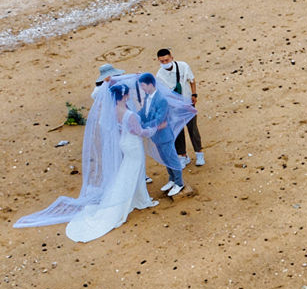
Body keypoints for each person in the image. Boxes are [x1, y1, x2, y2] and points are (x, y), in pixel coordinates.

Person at [14, 67, 169, 241]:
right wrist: (157, 127)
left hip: (124, 143)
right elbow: (140, 132)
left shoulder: (114, 111)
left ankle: (139, 197)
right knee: (133, 171)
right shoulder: (129, 114)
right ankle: (137, 200)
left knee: (129, 171)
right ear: (125, 96)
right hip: (132, 145)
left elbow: (119, 128)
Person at [134, 73, 190, 198]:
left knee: (172, 158)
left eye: (143, 85)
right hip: (156, 135)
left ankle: (179, 182)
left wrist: (144, 125)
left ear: (150, 84)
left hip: (164, 135)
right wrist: (136, 118)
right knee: (165, 158)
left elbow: (160, 119)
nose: (142, 88)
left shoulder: (161, 99)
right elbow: (143, 113)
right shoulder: (148, 97)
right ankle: (172, 179)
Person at [155, 49, 203, 166]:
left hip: (187, 103)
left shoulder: (183, 66)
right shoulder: (160, 75)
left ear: (172, 57)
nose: (165, 63)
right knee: (178, 131)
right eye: (162, 61)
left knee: (193, 129)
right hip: (174, 107)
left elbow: (192, 80)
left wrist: (194, 94)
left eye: (166, 60)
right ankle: (182, 156)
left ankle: (199, 153)